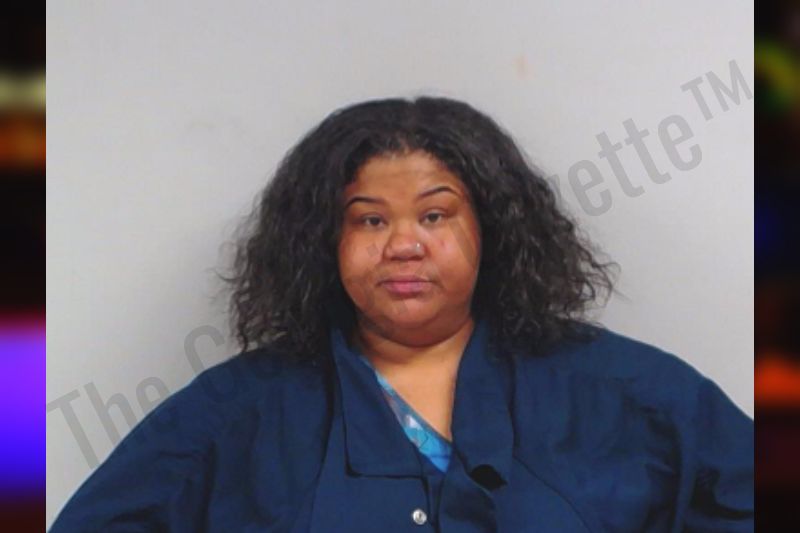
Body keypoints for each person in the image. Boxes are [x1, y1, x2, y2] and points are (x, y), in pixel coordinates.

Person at [50, 97, 753, 532]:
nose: (403, 244)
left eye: (435, 215)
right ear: (324, 242)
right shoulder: (238, 410)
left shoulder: (623, 390)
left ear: (493, 230)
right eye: (370, 219)